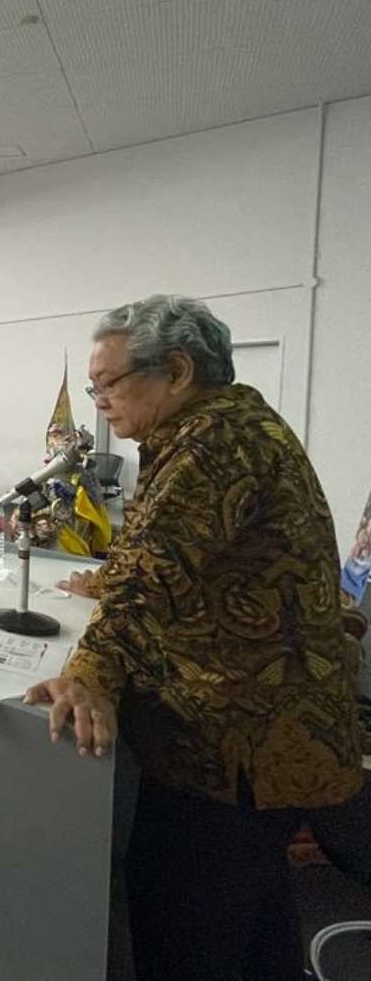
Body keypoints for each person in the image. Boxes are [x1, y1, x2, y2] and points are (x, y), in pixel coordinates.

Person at [23, 295, 365, 981]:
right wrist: (114, 580)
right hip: (272, 739)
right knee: (256, 922)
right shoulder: (222, 426)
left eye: (109, 384)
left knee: (187, 936)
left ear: (176, 370)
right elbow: (171, 556)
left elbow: (149, 574)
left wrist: (88, 671)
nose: (100, 401)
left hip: (236, 748)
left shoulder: (213, 442)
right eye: (92, 387)